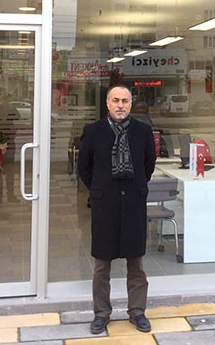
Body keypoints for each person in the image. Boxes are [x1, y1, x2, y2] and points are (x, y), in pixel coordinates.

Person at [77, 84, 157, 335]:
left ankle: (137, 311)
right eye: (115, 100)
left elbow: (148, 164)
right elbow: (84, 168)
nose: (120, 105)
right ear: (107, 104)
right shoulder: (93, 132)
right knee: (102, 265)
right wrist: (99, 189)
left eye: (125, 101)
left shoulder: (143, 131)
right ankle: (101, 313)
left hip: (133, 203)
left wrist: (136, 186)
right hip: (105, 204)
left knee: (136, 263)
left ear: (131, 104)